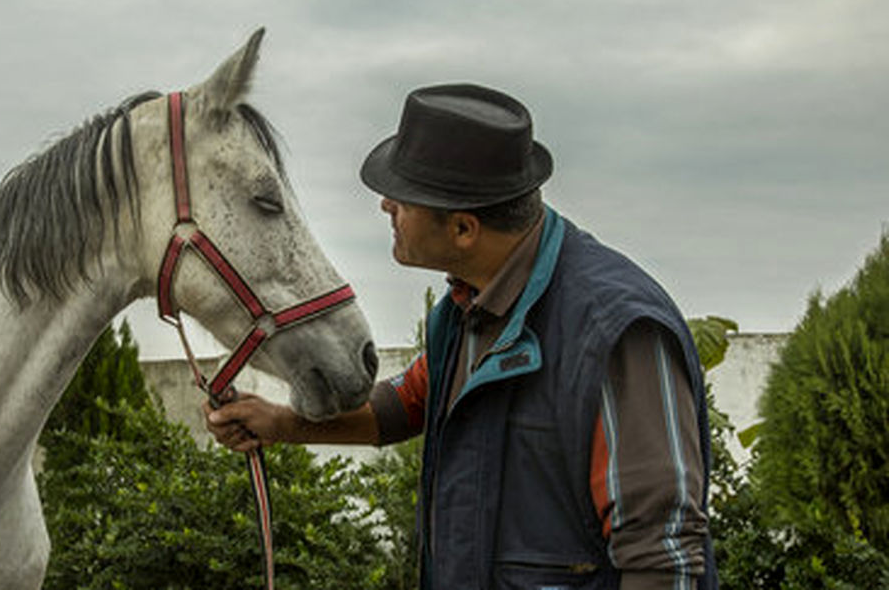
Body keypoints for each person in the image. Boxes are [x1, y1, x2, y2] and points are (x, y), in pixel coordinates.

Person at [206, 84, 718, 590]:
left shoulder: (618, 334)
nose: (385, 205)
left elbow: (662, 560)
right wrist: (278, 422)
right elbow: (404, 406)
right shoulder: (467, 309)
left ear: (464, 230)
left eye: (404, 197)